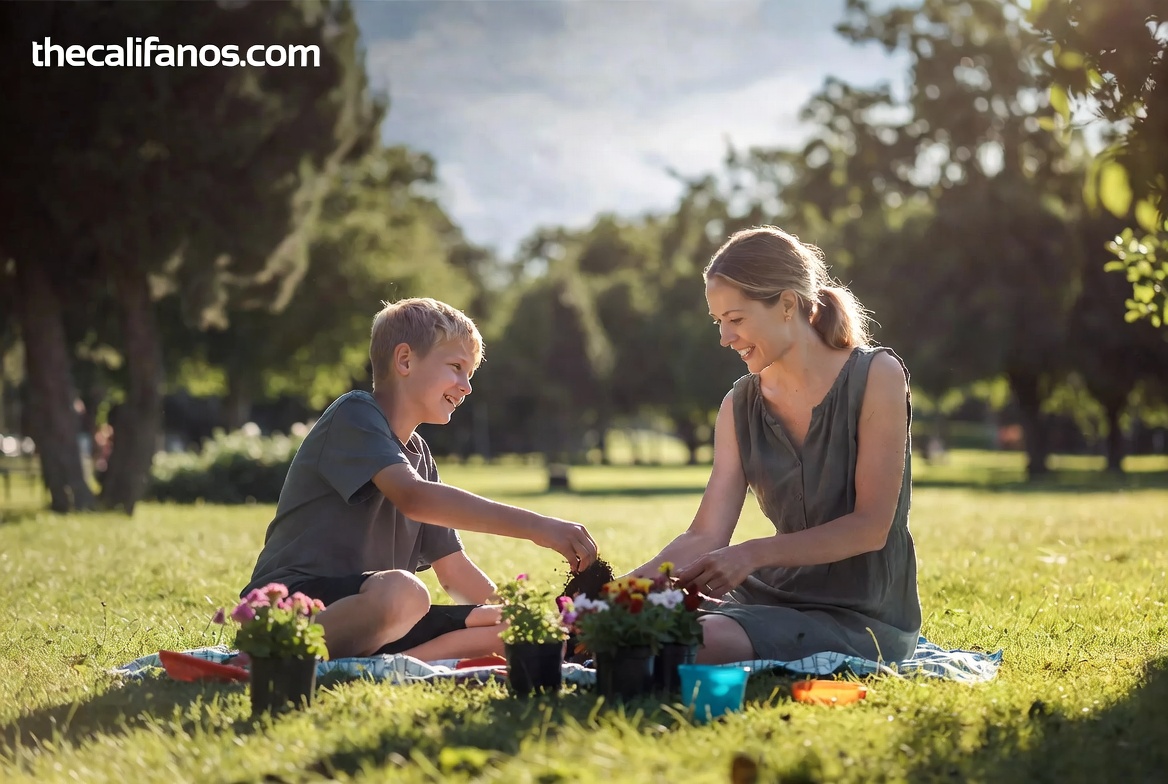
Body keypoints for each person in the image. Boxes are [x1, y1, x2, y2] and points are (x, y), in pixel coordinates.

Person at [241, 297, 598, 661]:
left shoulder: (421, 457)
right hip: (293, 604)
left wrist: (522, 619)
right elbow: (414, 498)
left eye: (470, 375)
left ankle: (381, 663)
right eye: (457, 367)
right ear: (405, 360)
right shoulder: (354, 414)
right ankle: (270, 651)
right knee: (406, 593)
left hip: (381, 619)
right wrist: (538, 527)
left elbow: (454, 573)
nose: (466, 386)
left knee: (519, 630)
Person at [636, 226, 921, 665]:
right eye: (718, 322)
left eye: (736, 319)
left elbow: (871, 527)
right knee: (644, 624)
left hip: (865, 613)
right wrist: (621, 592)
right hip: (771, 594)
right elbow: (705, 534)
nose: (724, 338)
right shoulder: (738, 405)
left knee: (682, 641)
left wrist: (752, 554)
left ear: (787, 304)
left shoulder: (877, 376)